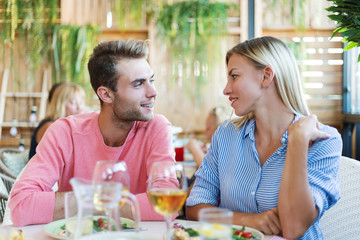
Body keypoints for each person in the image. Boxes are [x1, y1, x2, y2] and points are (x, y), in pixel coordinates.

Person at [186, 36, 342, 239]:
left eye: (234, 76)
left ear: (266, 76)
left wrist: (297, 141)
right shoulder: (225, 135)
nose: (226, 89)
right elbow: (194, 208)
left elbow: (293, 227)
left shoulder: (324, 140)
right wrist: (249, 221)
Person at [9, 39, 177, 226]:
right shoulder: (65, 132)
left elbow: (167, 205)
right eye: (138, 84)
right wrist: (106, 201)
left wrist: (92, 201)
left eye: (151, 80)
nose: (153, 91)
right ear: (106, 94)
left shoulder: (157, 128)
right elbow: (21, 207)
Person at [28, 82, 86, 160]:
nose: (79, 108)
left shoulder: (70, 126)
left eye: (81, 102)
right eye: (73, 102)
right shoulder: (50, 126)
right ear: (60, 104)